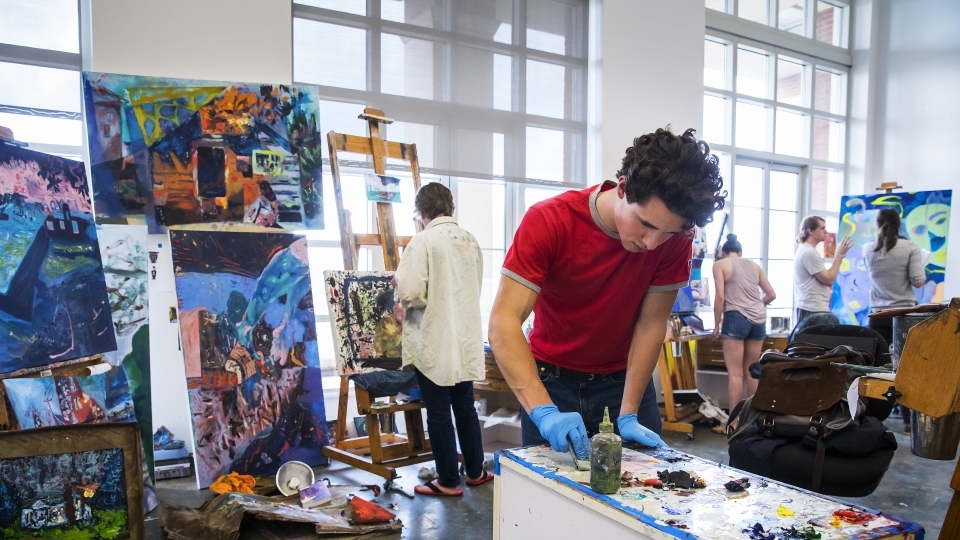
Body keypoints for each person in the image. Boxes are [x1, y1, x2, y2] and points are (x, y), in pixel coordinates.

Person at [488, 128, 726, 456]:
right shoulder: (550, 221)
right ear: (623, 188)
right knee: (549, 500)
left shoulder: (676, 239)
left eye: (668, 233)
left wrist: (628, 412)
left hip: (624, 383)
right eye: (646, 224)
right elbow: (504, 320)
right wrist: (543, 411)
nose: (651, 244)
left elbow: (650, 324)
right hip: (551, 382)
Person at [396, 182, 490, 497]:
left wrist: (416, 299)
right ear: (449, 206)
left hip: (433, 338)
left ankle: (448, 480)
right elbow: (473, 286)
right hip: (463, 338)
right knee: (464, 405)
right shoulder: (469, 240)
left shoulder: (422, 241)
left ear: (421, 212)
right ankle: (476, 471)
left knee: (437, 409)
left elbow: (410, 292)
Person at [863, 209, 926, 434]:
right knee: (907, 367)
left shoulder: (867, 248)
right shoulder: (910, 248)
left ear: (878, 224)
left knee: (878, 367)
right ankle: (909, 422)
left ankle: (871, 417)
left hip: (877, 316)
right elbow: (918, 281)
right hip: (904, 317)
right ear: (900, 225)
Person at [711, 234, 776, 415]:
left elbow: (720, 297)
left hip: (735, 318)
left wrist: (716, 325)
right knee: (751, 371)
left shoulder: (720, 265)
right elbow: (771, 295)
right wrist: (755, 305)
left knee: (735, 374)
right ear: (740, 252)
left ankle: (734, 421)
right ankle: (753, 418)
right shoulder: (755, 266)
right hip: (759, 320)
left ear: (723, 252)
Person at [793, 216, 852, 324]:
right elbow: (828, 279)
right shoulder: (808, 252)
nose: (826, 232)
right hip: (813, 309)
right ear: (811, 231)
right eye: (822, 228)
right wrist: (839, 256)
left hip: (812, 308)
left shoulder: (806, 250)